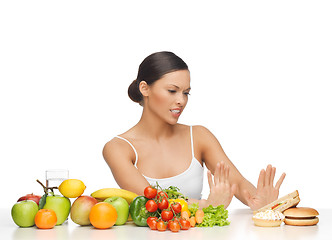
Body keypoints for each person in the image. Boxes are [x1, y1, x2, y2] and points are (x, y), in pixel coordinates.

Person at [103, 51, 286, 210]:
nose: (181, 101)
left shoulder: (199, 136)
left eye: (186, 93)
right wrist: (206, 205)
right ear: (145, 88)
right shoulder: (118, 148)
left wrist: (258, 200)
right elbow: (151, 201)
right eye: (172, 91)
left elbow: (236, 183)